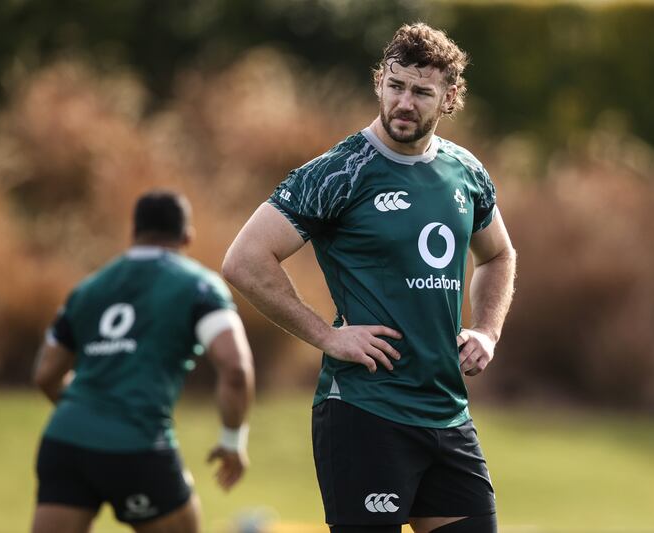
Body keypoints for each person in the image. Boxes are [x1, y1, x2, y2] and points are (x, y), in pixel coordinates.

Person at [222, 22, 515, 533]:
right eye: (396, 85)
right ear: (379, 82)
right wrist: (325, 335)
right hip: (365, 411)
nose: (405, 102)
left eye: (422, 92)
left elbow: (498, 256)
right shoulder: (338, 172)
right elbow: (245, 260)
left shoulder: (466, 172)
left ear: (448, 99)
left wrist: (486, 330)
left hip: (447, 414)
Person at [32, 190, 255, 533]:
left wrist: (87, 417)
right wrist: (231, 443)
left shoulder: (88, 289)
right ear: (187, 237)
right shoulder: (199, 287)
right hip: (137, 446)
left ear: (133, 233)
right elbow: (236, 369)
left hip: (64, 443)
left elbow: (46, 374)